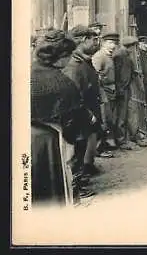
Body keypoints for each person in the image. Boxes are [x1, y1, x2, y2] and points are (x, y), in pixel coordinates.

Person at [31, 30, 97, 206]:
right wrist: (88, 120)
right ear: (61, 57)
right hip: (51, 141)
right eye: (69, 55)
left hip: (25, 137)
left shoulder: (27, 73)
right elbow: (73, 123)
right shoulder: (62, 83)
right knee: (54, 184)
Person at [63, 26, 112, 183]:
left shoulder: (84, 59)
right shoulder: (74, 65)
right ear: (84, 40)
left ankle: (86, 168)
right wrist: (87, 113)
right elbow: (75, 94)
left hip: (90, 109)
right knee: (77, 147)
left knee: (87, 141)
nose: (96, 43)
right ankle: (78, 183)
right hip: (81, 112)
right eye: (93, 40)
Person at [92, 33, 120, 149]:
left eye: (114, 43)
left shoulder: (109, 56)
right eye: (109, 43)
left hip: (111, 89)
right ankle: (100, 146)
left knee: (110, 118)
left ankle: (108, 142)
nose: (112, 46)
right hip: (103, 90)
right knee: (104, 118)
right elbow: (95, 74)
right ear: (103, 43)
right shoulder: (99, 56)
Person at [121, 35, 147, 147]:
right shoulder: (122, 57)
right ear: (130, 47)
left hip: (128, 88)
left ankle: (133, 135)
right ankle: (128, 138)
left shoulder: (128, 57)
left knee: (131, 112)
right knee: (127, 114)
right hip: (124, 89)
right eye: (133, 46)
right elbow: (122, 76)